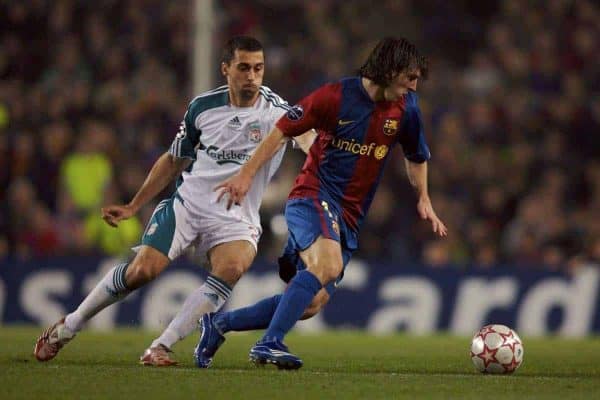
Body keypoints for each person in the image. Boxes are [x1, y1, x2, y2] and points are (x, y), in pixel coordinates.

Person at [34, 36, 316, 366]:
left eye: (259, 68)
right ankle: (69, 325)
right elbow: (173, 160)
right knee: (142, 271)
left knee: (233, 267)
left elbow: (307, 135)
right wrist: (134, 206)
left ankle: (161, 346)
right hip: (189, 206)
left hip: (236, 216)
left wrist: (318, 155)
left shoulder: (276, 111)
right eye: (244, 68)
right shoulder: (203, 108)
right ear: (226, 69)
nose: (252, 76)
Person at [196, 37, 447, 370]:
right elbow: (282, 130)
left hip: (350, 216)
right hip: (313, 195)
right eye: (410, 78)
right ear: (391, 70)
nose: (414, 86)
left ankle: (218, 325)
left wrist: (424, 197)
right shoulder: (335, 96)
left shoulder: (407, 109)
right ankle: (269, 343)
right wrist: (246, 175)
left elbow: (416, 156)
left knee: (311, 303)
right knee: (327, 265)